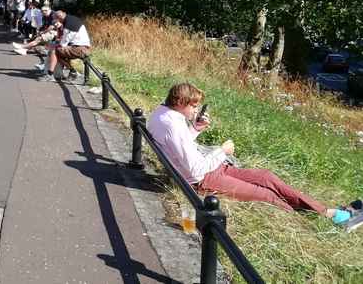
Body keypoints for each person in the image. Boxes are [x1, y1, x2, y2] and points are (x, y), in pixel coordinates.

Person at [148, 82, 354, 224]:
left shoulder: (163, 114)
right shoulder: (172, 124)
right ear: (181, 103)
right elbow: (194, 167)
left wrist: (195, 129)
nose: (196, 110)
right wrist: (222, 150)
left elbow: (176, 149)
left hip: (212, 170)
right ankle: (310, 218)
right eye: (194, 106)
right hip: (202, 179)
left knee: (266, 176)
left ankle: (322, 211)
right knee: (266, 195)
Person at [39, 9, 91, 82]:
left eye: (56, 20)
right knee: (58, 51)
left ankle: (50, 75)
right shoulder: (71, 19)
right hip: (82, 47)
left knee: (55, 51)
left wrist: (56, 45)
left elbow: (63, 43)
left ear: (59, 18)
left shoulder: (68, 25)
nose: (57, 22)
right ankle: (72, 72)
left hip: (80, 49)